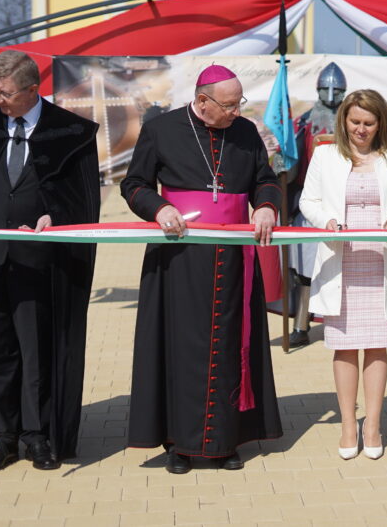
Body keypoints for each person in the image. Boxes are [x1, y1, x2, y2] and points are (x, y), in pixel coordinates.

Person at [0, 49, 100, 472]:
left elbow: (84, 202)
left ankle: (37, 435)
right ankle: (2, 437)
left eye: (5, 92)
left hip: (40, 264)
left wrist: (57, 218)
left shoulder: (71, 132)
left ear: (33, 90)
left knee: (37, 351)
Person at [120, 64, 282, 473]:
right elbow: (134, 184)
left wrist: (264, 205)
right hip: (180, 257)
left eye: (239, 102)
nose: (236, 112)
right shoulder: (162, 129)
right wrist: (160, 208)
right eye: (229, 105)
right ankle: (179, 443)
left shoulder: (244, 132)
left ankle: (225, 443)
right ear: (203, 101)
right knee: (181, 347)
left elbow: (266, 178)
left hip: (233, 256)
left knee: (231, 343)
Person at [299, 89, 387, 460]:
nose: (361, 130)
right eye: (354, 123)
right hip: (341, 260)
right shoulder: (324, 155)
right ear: (344, 120)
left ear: (380, 123)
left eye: (368, 123)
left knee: (377, 343)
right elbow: (308, 200)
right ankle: (349, 423)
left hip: (379, 262)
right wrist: (326, 220)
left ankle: (373, 423)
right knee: (344, 346)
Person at [285, 62, 347, 347]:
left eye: (336, 89)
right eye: (326, 88)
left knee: (347, 269)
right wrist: (282, 166)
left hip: (347, 205)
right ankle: (301, 325)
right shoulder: (305, 122)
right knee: (305, 272)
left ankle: (344, 323)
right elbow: (293, 160)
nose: (332, 93)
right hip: (311, 206)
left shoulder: (353, 120)